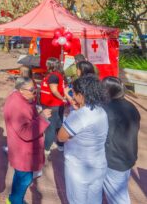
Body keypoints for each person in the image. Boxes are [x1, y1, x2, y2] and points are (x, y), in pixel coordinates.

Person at [57, 75, 108, 204]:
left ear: (82, 94)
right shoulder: (101, 110)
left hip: (79, 169)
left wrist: (72, 113)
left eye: (74, 92)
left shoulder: (79, 115)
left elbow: (61, 137)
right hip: (98, 165)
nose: (73, 96)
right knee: (95, 200)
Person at [4, 77, 51, 204]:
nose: (35, 93)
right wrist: (42, 118)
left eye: (36, 89)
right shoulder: (16, 105)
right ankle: (15, 201)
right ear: (21, 90)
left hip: (23, 150)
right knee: (25, 179)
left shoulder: (22, 98)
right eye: (32, 90)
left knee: (20, 177)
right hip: (23, 151)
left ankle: (13, 199)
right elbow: (25, 132)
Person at [102, 77, 140, 204]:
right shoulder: (131, 106)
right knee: (120, 192)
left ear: (107, 90)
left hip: (113, 159)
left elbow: (105, 137)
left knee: (118, 198)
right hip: (128, 156)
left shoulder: (108, 109)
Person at [40, 58, 65, 154]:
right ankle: (60, 145)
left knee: (50, 127)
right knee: (58, 125)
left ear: (51, 65)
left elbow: (54, 90)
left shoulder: (53, 76)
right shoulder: (56, 75)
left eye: (47, 64)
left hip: (52, 105)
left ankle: (46, 148)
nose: (46, 66)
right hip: (56, 105)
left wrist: (62, 98)